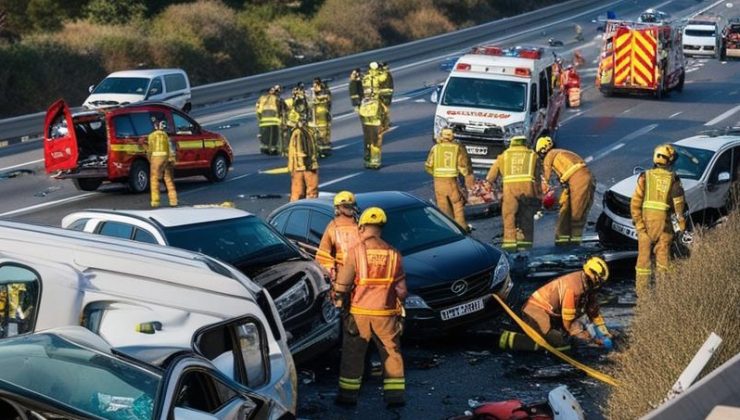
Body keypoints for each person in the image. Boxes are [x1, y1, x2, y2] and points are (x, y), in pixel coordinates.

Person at [334, 207, 408, 407]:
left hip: (360, 314)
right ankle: (395, 397)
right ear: (381, 228)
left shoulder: (356, 252)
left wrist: (339, 301)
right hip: (386, 313)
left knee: (353, 354)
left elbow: (343, 285)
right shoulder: (394, 254)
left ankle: (347, 397)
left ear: (362, 226)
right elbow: (402, 291)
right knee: (391, 353)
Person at [499, 256, 612, 352]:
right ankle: (509, 339)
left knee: (568, 336)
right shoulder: (574, 288)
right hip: (536, 310)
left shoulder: (588, 285)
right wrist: (589, 339)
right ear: (592, 276)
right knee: (559, 342)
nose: (599, 285)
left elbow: (593, 312)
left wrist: (604, 333)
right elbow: (569, 323)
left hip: (553, 314)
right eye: (598, 281)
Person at [631, 144, 686, 297]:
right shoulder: (673, 179)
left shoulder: (644, 177)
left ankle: (642, 295)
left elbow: (635, 204)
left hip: (645, 226)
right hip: (664, 226)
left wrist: (640, 227)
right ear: (670, 161)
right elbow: (679, 204)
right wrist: (682, 225)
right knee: (663, 261)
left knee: (643, 262)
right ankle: (664, 294)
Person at [535, 136, 595, 246]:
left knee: (576, 215)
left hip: (579, 180)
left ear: (543, 151)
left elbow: (546, 179)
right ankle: (562, 242)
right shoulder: (561, 152)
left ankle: (573, 245)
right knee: (565, 211)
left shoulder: (550, 155)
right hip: (580, 180)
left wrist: (539, 196)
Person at [485, 135, 540, 252]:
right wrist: (539, 194)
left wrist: (489, 184)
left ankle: (510, 248)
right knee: (527, 219)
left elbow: (491, 175)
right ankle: (526, 247)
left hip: (509, 191)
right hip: (527, 190)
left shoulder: (503, 156)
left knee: (509, 218)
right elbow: (538, 177)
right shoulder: (532, 155)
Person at [425, 127, 474, 229]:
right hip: (451, 182)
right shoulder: (456, 148)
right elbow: (463, 166)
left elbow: (428, 166)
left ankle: (449, 229)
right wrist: (467, 177)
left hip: (438, 182)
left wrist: (436, 174)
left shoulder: (435, 148)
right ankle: (462, 228)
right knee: (457, 205)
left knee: (443, 207)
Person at [316, 191, 360, 282]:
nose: (350, 209)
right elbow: (323, 256)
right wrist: (332, 272)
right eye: (346, 206)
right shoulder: (333, 227)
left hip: (360, 277)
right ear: (338, 209)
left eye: (351, 205)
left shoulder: (361, 226)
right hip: (341, 278)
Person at [145, 118, 177, 208]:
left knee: (154, 179)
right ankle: (173, 201)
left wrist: (150, 159)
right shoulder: (166, 136)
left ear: (155, 126)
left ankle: (155, 202)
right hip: (167, 158)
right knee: (169, 179)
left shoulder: (151, 136)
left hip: (156, 158)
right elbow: (170, 149)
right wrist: (171, 159)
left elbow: (150, 150)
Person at [287, 119, 319, 201]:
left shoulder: (303, 132)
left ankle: (302, 205)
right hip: (304, 166)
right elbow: (300, 151)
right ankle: (303, 206)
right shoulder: (300, 133)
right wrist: (305, 164)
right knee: (304, 191)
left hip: (303, 165)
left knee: (303, 190)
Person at [360, 63, 384, 169]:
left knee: (367, 139)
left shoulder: (365, 79)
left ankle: (367, 160)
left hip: (365, 113)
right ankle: (375, 161)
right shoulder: (380, 77)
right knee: (376, 139)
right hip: (376, 115)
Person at [255, 85, 283, 155]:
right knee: (274, 136)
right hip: (274, 121)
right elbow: (281, 110)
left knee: (265, 136)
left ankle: (264, 149)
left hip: (263, 122)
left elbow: (257, 110)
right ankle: (274, 149)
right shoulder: (277, 98)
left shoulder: (261, 99)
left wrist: (259, 121)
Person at [310, 77, 333, 157]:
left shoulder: (325, 92)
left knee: (324, 132)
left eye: (315, 84)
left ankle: (325, 149)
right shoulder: (313, 92)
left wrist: (316, 98)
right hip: (316, 115)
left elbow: (327, 100)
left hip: (323, 114)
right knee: (317, 133)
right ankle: (319, 149)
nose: (314, 86)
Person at [378, 62, 394, 132]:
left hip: (383, 93)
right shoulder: (386, 73)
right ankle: (385, 123)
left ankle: (385, 123)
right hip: (386, 93)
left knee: (384, 109)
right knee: (385, 109)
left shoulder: (382, 74)